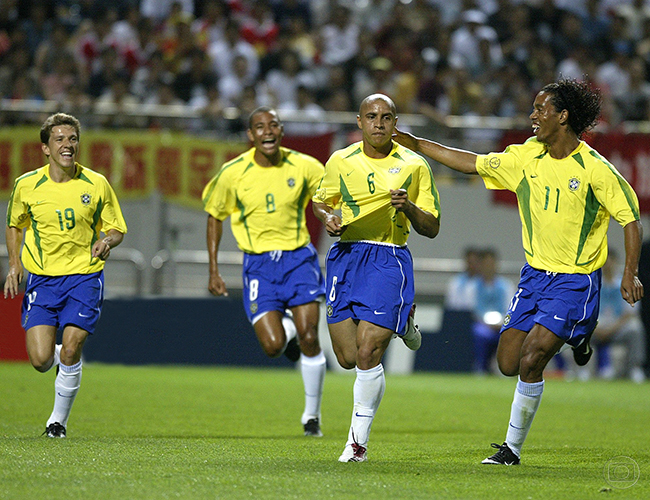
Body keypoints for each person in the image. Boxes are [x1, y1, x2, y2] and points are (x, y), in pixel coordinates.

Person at [394, 78, 644, 465]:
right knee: (507, 362)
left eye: (540, 109)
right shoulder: (525, 157)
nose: (532, 116)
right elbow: (471, 163)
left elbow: (631, 220)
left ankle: (511, 450)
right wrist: (416, 144)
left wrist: (630, 272)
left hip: (576, 282)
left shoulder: (596, 169)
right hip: (534, 278)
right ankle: (580, 335)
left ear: (562, 117)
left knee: (532, 359)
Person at [312, 93, 440, 462]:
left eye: (386, 117)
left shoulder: (414, 165)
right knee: (348, 356)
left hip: (388, 257)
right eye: (372, 116)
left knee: (368, 353)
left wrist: (410, 207)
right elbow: (322, 199)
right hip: (346, 256)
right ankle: (405, 320)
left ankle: (356, 445)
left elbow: (431, 227)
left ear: (395, 123)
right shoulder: (340, 160)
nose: (379, 123)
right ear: (359, 121)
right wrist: (326, 217)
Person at [202, 107, 327, 437]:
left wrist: (328, 213)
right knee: (272, 346)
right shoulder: (233, 173)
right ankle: (291, 331)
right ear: (251, 135)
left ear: (282, 130)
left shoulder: (304, 166)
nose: (267, 131)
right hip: (258, 265)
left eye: (273, 125)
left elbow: (326, 196)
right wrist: (214, 269)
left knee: (311, 336)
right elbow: (215, 216)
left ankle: (312, 416)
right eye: (260, 126)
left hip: (298, 259)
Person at [3, 112, 127, 438]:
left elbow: (116, 228)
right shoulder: (27, 185)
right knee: (41, 359)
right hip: (43, 279)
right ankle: (65, 362)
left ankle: (57, 422)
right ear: (46, 148)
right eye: (59, 139)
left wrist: (106, 240)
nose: (67, 145)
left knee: (72, 348)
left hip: (84, 276)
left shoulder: (96, 183)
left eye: (72, 139)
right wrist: (14, 264)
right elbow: (15, 225)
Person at [587, 249, 646, 383]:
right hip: (597, 327)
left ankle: (635, 368)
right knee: (580, 331)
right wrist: (597, 327)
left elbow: (630, 312)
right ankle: (583, 369)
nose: (607, 264)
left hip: (617, 326)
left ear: (615, 262)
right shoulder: (593, 284)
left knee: (635, 329)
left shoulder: (625, 283)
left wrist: (612, 329)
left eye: (610, 260)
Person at [471, 248, 515, 375]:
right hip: (482, 325)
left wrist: (501, 324)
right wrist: (486, 324)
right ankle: (481, 368)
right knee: (479, 333)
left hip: (503, 325)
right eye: (485, 264)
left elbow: (510, 309)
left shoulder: (506, 286)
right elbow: (472, 310)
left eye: (491, 264)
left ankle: (506, 369)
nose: (488, 267)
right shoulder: (473, 286)